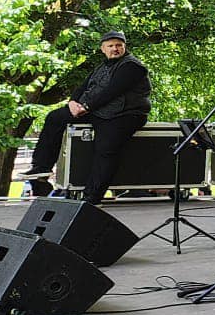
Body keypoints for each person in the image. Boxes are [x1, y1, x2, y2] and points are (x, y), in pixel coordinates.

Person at [16, 30, 152, 203]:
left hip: (125, 114)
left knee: (106, 149)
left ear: (124, 47)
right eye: (110, 46)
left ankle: (92, 197)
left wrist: (86, 107)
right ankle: (41, 169)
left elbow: (112, 91)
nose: (115, 49)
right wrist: (73, 102)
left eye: (119, 45)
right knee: (55, 117)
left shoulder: (133, 66)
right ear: (103, 49)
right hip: (97, 111)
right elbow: (82, 87)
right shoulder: (101, 67)